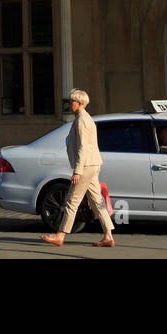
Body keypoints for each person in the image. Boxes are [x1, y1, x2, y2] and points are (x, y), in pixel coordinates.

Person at [40, 89, 115, 248]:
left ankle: (60, 235)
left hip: (86, 166)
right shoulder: (86, 118)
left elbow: (83, 148)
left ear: (79, 103)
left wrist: (77, 171)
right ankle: (108, 235)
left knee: (71, 202)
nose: (69, 104)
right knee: (96, 202)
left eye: (71, 101)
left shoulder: (82, 120)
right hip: (93, 164)